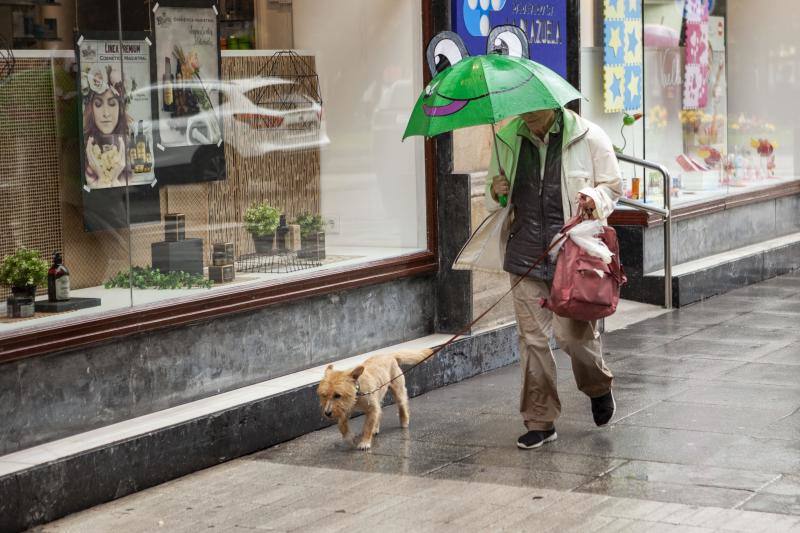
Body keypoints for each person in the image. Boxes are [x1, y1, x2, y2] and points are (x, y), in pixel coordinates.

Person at [485, 106, 622, 449]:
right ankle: (540, 420)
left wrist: (596, 198)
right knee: (532, 342)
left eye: (534, 108)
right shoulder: (506, 139)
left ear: (552, 103)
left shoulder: (588, 136)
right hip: (525, 254)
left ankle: (597, 386)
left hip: (571, 256)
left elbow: (612, 186)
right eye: (523, 108)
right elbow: (497, 197)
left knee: (573, 337)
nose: (527, 114)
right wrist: (497, 190)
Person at [83, 65, 130, 188]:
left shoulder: (131, 147)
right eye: (98, 104)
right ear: (91, 109)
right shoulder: (81, 149)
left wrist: (114, 178)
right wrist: (102, 177)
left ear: (120, 108)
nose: (106, 113)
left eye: (112, 104)